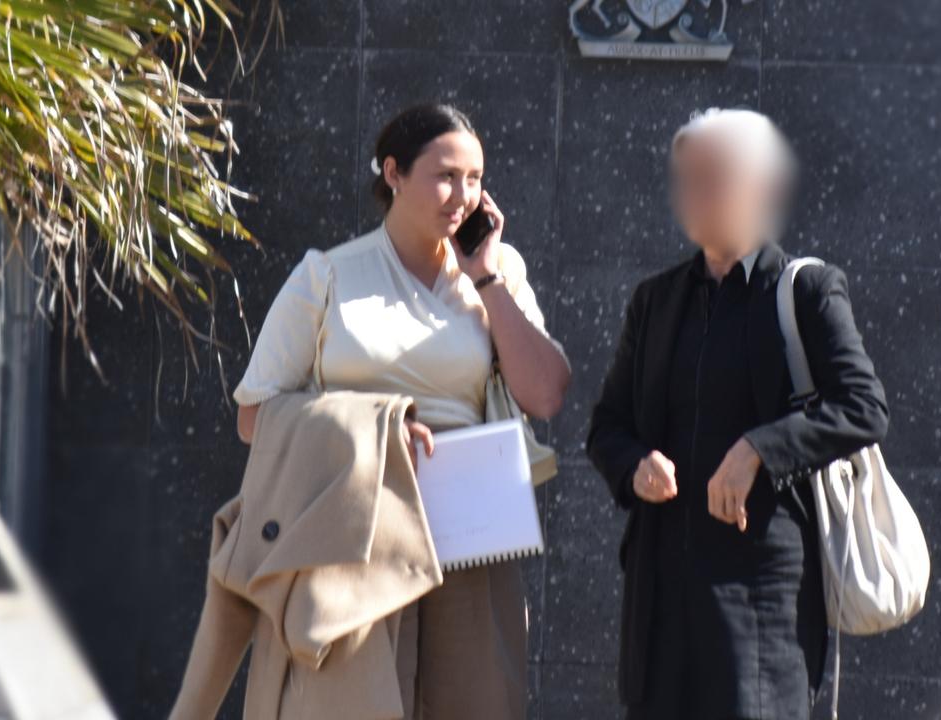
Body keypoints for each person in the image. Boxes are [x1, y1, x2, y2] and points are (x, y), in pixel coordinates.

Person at [232, 103, 570, 719]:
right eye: (445, 175)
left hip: (465, 538)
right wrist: (372, 429)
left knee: (476, 701)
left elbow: (546, 394)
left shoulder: (498, 272)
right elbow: (255, 415)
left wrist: (486, 279)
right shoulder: (326, 275)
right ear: (393, 172)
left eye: (475, 179)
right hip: (352, 530)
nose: (462, 196)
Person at [586, 107, 889, 720]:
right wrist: (634, 465)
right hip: (660, 589)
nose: (693, 194)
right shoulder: (656, 299)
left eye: (713, 177)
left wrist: (759, 450)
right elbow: (606, 425)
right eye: (686, 178)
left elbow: (863, 407)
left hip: (761, 589)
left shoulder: (806, 290)